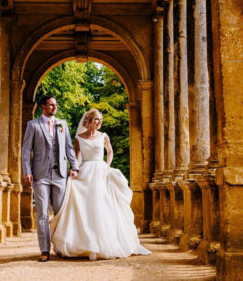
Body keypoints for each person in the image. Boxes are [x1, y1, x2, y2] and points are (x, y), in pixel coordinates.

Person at [50, 108, 151, 260]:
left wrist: (108, 167)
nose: (99, 122)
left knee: (103, 205)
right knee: (85, 205)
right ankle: (82, 242)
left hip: (100, 170)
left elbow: (109, 151)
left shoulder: (103, 136)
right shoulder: (79, 137)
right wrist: (74, 171)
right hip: (85, 170)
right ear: (89, 120)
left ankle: (104, 243)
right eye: (96, 119)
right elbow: (77, 157)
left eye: (100, 120)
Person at [21, 95, 79, 262]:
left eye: (55, 104)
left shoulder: (63, 124)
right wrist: (27, 171)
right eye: (51, 105)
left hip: (60, 174)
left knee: (61, 212)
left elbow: (69, 147)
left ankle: (61, 246)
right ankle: (45, 250)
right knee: (42, 214)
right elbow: (26, 150)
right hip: (40, 175)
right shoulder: (33, 125)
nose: (54, 107)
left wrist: (74, 167)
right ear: (43, 107)